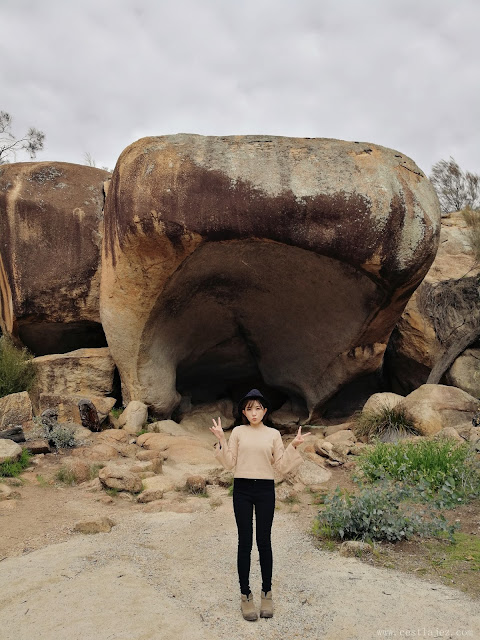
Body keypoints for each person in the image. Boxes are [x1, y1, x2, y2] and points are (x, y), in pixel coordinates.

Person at [210, 388, 310, 621]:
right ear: (244, 412)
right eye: (248, 409)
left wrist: (293, 445)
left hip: (265, 490)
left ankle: (267, 593)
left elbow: (282, 466)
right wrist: (222, 440)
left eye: (257, 408)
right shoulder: (237, 432)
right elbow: (229, 463)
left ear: (265, 410)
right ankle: (245, 594)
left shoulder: (273, 434)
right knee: (244, 542)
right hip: (242, 489)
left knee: (264, 542)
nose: (253, 413)